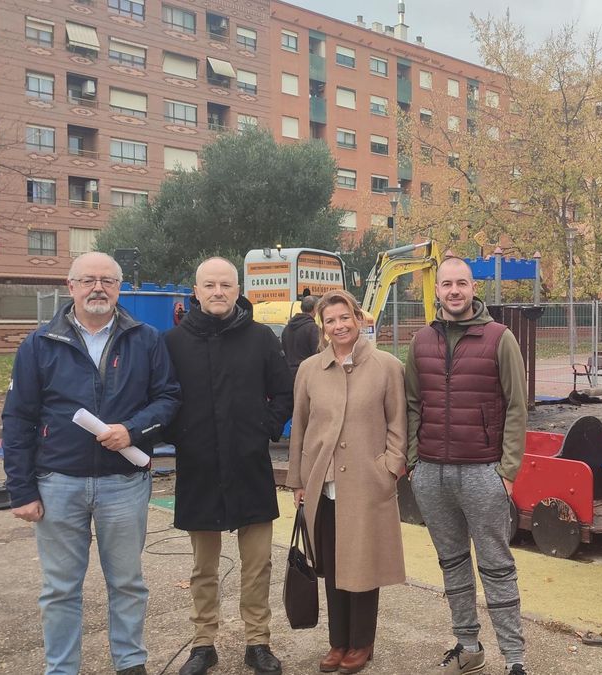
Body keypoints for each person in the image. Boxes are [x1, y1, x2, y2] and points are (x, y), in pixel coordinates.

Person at [2, 252, 181, 675]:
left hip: (124, 483)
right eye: (88, 280)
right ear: (71, 286)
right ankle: (62, 668)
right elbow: (18, 419)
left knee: (127, 583)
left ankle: (130, 663)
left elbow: (168, 398)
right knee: (60, 589)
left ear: (119, 288)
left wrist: (132, 431)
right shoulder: (40, 343)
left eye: (107, 280)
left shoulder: (146, 339)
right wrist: (21, 489)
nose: (97, 288)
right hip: (58, 482)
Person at [164, 258, 293, 675]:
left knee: (257, 565)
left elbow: (284, 392)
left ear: (238, 290)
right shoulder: (173, 342)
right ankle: (203, 644)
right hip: (199, 466)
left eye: (225, 284)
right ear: (196, 291)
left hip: (249, 466)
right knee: (203, 567)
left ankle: (258, 641)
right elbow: (162, 398)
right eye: (209, 285)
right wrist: (179, 434)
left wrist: (264, 430)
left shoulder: (260, 339)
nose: (217, 291)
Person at [406, 256, 529, 675]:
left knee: (496, 564)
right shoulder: (421, 342)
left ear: (473, 288)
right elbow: (412, 404)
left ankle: (514, 657)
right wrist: (412, 463)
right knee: (452, 562)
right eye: (446, 284)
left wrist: (507, 471)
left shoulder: (499, 338)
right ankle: (468, 645)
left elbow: (517, 406)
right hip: (431, 473)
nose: (454, 291)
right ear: (437, 290)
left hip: (482, 470)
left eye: (461, 283)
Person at [286, 289, 407, 675]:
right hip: (322, 482)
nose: (338, 326)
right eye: (331, 320)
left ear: (358, 319)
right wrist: (298, 480)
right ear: (322, 326)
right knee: (333, 567)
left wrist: (389, 466)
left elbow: (398, 425)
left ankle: (361, 643)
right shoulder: (309, 369)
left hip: (367, 482)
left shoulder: (387, 366)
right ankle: (337, 642)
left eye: (345, 318)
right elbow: (300, 428)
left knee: (363, 564)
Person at [281, 294, 319, 383]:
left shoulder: (287, 328)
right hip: (307, 376)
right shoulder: (313, 329)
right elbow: (319, 355)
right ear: (315, 309)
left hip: (288, 376)